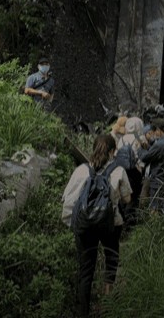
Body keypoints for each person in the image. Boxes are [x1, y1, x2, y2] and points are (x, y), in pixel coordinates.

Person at [61, 134, 131, 317]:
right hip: (111, 223)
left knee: (86, 269)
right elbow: (128, 198)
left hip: (85, 225)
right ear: (111, 151)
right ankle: (107, 302)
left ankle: (83, 311)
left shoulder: (81, 171)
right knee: (111, 260)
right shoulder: (118, 171)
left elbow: (67, 199)